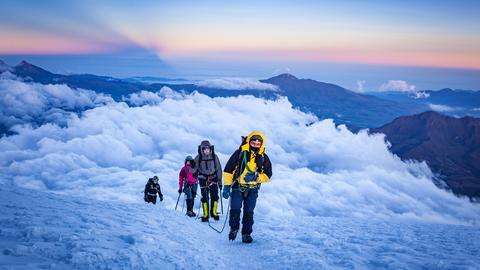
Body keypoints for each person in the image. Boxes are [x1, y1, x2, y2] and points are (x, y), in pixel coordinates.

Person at [222, 132, 272, 243]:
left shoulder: (263, 157)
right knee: (235, 209)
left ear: (262, 143)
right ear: (249, 141)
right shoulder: (240, 153)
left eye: (259, 142)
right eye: (254, 141)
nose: (256, 143)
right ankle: (234, 229)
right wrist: (226, 186)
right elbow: (228, 170)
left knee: (249, 211)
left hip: (253, 189)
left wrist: (256, 177)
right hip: (237, 187)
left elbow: (268, 175)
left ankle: (246, 234)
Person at [191, 140, 223, 222]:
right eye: (204, 149)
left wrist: (219, 182)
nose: (206, 150)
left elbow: (218, 169)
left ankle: (214, 213)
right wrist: (192, 166)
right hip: (203, 179)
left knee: (215, 196)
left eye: (208, 149)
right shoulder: (198, 157)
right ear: (202, 149)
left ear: (210, 148)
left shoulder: (214, 156)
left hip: (213, 178)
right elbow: (193, 171)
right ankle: (206, 215)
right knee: (204, 197)